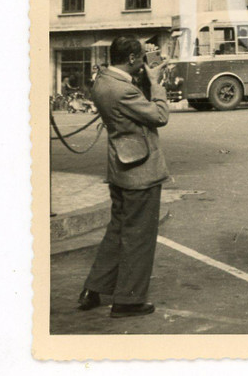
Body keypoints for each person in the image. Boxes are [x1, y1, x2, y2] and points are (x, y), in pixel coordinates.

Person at [77, 36, 171, 318]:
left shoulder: (104, 81)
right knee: (139, 237)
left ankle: (93, 289)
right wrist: (156, 84)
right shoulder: (123, 90)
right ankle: (128, 301)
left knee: (117, 232)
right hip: (139, 170)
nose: (144, 61)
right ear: (131, 58)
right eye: (142, 56)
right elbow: (159, 115)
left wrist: (142, 78)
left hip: (120, 167)